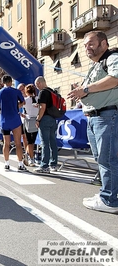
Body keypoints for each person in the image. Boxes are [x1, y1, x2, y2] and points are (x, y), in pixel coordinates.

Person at [67, 30, 118, 214]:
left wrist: (86, 89)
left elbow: (115, 79)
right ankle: (108, 193)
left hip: (107, 117)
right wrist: (80, 91)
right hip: (95, 118)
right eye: (85, 45)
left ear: (103, 44)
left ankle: (110, 200)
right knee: (101, 159)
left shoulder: (112, 58)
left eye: (91, 43)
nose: (87, 47)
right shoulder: (96, 64)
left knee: (108, 159)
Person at [0, 75, 27, 172]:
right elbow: (23, 102)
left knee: (6, 143)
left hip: (4, 120)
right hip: (15, 120)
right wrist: (17, 106)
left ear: (2, 82)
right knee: (18, 143)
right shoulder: (16, 91)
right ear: (11, 81)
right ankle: (20, 164)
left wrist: (1, 109)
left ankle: (6, 164)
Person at [33, 76, 58, 173]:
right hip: (53, 119)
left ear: (39, 83)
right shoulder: (52, 91)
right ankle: (54, 164)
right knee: (53, 142)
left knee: (44, 143)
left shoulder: (42, 92)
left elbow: (43, 108)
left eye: (36, 85)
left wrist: (38, 119)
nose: (36, 87)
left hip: (45, 119)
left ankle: (44, 165)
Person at [22, 84, 39, 167]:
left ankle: (29, 157)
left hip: (28, 120)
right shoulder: (37, 99)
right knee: (33, 141)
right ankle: (30, 157)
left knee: (29, 142)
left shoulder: (25, 100)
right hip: (36, 121)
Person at [17, 83, 28, 165]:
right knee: (23, 137)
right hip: (22, 119)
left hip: (29, 119)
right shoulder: (19, 98)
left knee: (28, 138)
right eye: (19, 90)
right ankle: (26, 152)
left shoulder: (29, 97)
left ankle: (29, 153)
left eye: (21, 89)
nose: (20, 91)